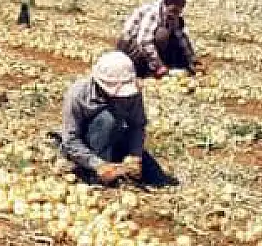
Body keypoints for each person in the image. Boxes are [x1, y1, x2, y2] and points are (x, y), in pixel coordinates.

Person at [57, 51, 174, 187]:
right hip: (85, 146)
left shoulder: (132, 93)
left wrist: (134, 154)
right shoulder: (77, 94)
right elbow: (70, 139)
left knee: (157, 178)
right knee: (108, 119)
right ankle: (93, 173)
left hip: (116, 136)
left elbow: (137, 125)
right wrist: (98, 164)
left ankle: (113, 161)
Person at [117, 0, 202, 79]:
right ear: (167, 1)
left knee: (174, 39)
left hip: (145, 45)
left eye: (182, 5)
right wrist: (158, 65)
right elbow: (144, 42)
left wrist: (192, 60)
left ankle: (161, 65)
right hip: (130, 46)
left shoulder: (173, 14)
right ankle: (148, 69)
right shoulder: (154, 12)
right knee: (162, 34)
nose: (180, 8)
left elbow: (181, 37)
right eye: (178, 4)